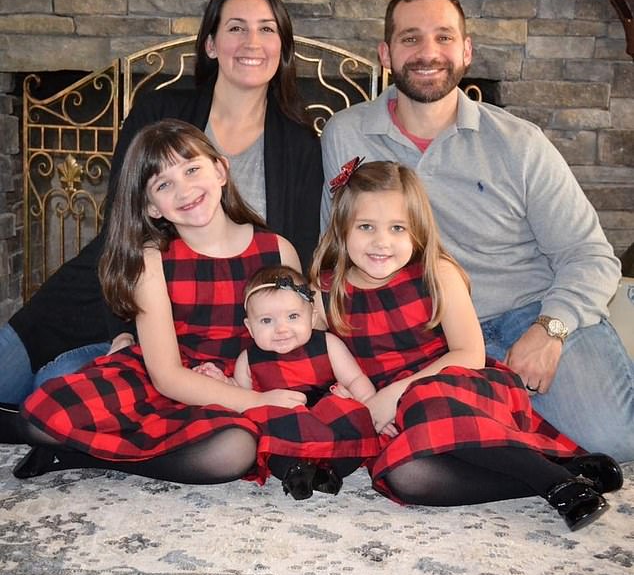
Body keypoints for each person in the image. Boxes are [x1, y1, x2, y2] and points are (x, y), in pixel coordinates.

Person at [319, 0, 633, 462]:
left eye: (444, 38)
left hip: (529, 310)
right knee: (422, 450)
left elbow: (589, 254)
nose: (428, 53)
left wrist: (551, 330)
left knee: (613, 442)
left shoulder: (519, 143)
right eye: (410, 39)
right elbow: (335, 245)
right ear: (386, 53)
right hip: (419, 333)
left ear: (466, 51)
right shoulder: (346, 134)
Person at [0, 0, 322, 403]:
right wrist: (124, 331)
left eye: (267, 28)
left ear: (282, 46)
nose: (252, 41)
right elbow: (122, 223)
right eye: (236, 27)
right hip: (105, 298)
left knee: (54, 396)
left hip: (204, 331)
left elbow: (293, 261)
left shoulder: (299, 143)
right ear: (210, 44)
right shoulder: (161, 111)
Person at [311, 159, 623, 531]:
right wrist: (351, 398)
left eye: (397, 228)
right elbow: (316, 360)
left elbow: (470, 353)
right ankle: (559, 472)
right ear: (342, 228)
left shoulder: (436, 273)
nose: (382, 242)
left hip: (457, 390)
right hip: (393, 417)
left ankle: (558, 487)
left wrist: (393, 397)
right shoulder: (325, 291)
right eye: (366, 227)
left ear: (417, 230)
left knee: (426, 400)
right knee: (403, 476)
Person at [1, 119, 309, 484]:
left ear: (221, 170)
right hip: (160, 378)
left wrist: (249, 394)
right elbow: (165, 374)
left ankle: (80, 452)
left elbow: (298, 341)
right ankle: (74, 444)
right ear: (152, 208)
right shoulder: (152, 260)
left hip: (236, 385)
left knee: (233, 453)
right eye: (164, 185)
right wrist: (254, 405)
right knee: (41, 415)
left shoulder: (276, 249)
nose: (185, 190)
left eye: (192, 169)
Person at [197, 264, 380, 500]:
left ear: (312, 317)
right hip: (283, 421)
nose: (281, 329)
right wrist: (222, 380)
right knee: (264, 439)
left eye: (293, 317)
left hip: (325, 413)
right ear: (249, 328)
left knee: (352, 419)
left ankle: (331, 471)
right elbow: (241, 396)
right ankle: (294, 472)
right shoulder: (249, 358)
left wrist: (366, 404)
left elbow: (355, 378)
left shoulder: (328, 344)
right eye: (266, 321)